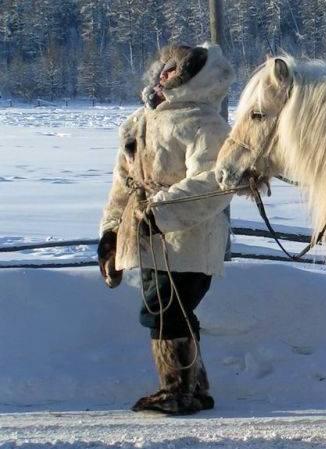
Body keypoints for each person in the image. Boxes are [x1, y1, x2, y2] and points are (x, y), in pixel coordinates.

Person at [97, 43, 234, 415]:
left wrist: (160, 214)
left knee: (165, 309)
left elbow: (214, 182)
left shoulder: (205, 124)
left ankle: (176, 389)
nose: (164, 73)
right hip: (147, 234)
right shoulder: (140, 121)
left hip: (189, 239)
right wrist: (111, 232)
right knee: (170, 309)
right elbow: (124, 181)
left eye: (174, 69)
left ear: (191, 76)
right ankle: (193, 388)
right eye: (164, 67)